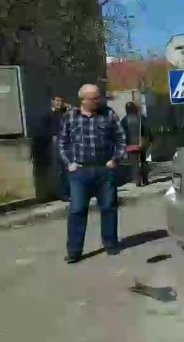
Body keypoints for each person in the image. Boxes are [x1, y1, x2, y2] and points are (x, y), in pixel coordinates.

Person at [58, 84, 126, 264]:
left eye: (99, 97)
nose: (98, 100)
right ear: (83, 100)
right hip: (79, 171)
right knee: (78, 210)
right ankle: (74, 251)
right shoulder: (70, 117)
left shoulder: (109, 114)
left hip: (104, 169)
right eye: (94, 98)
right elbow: (62, 143)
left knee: (109, 208)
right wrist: (69, 164)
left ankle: (111, 244)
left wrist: (115, 160)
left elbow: (121, 139)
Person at [121, 101, 150, 187]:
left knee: (134, 163)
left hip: (130, 143)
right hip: (142, 142)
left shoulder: (124, 120)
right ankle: (145, 179)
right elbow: (147, 130)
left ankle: (137, 181)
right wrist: (148, 140)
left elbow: (122, 133)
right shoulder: (141, 118)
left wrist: (124, 143)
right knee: (144, 161)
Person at [49, 96, 70, 201]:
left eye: (61, 101)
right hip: (55, 142)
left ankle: (67, 192)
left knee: (66, 169)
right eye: (57, 101)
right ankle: (62, 193)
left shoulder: (64, 114)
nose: (59, 103)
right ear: (52, 101)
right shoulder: (49, 114)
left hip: (65, 142)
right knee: (60, 170)